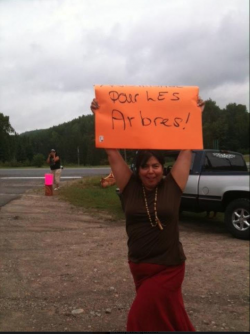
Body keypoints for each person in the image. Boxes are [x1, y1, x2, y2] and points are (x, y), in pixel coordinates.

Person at [90, 96, 205, 332]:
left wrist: (195, 115)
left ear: (163, 168)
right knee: (168, 317)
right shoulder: (129, 187)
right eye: (145, 166)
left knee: (138, 320)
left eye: (156, 166)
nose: (150, 171)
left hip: (169, 267)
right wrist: (99, 117)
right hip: (139, 267)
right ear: (137, 168)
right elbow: (111, 152)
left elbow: (187, 148)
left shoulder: (173, 186)